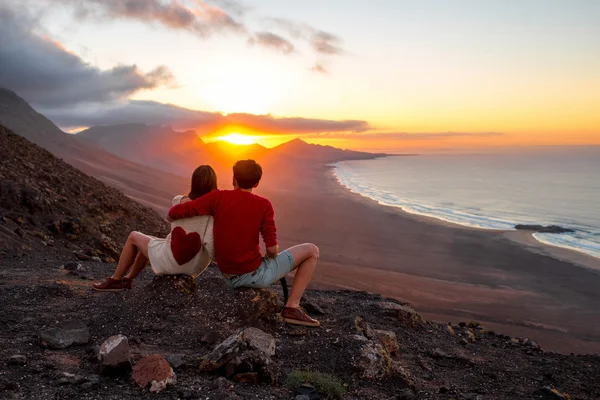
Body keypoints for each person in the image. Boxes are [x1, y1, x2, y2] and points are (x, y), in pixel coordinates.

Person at [168, 159, 321, 327]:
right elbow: (271, 250)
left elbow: (175, 212)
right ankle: (292, 307)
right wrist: (270, 256)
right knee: (311, 250)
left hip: (228, 275)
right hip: (252, 276)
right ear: (256, 183)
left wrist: (181, 203)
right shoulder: (264, 205)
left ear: (234, 179)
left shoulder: (217, 197)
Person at [92, 165, 218, 291]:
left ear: (194, 182)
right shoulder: (213, 212)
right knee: (151, 242)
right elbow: (211, 243)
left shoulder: (179, 201)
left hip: (172, 262)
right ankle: (128, 279)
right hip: (193, 267)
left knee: (133, 236)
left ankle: (116, 280)